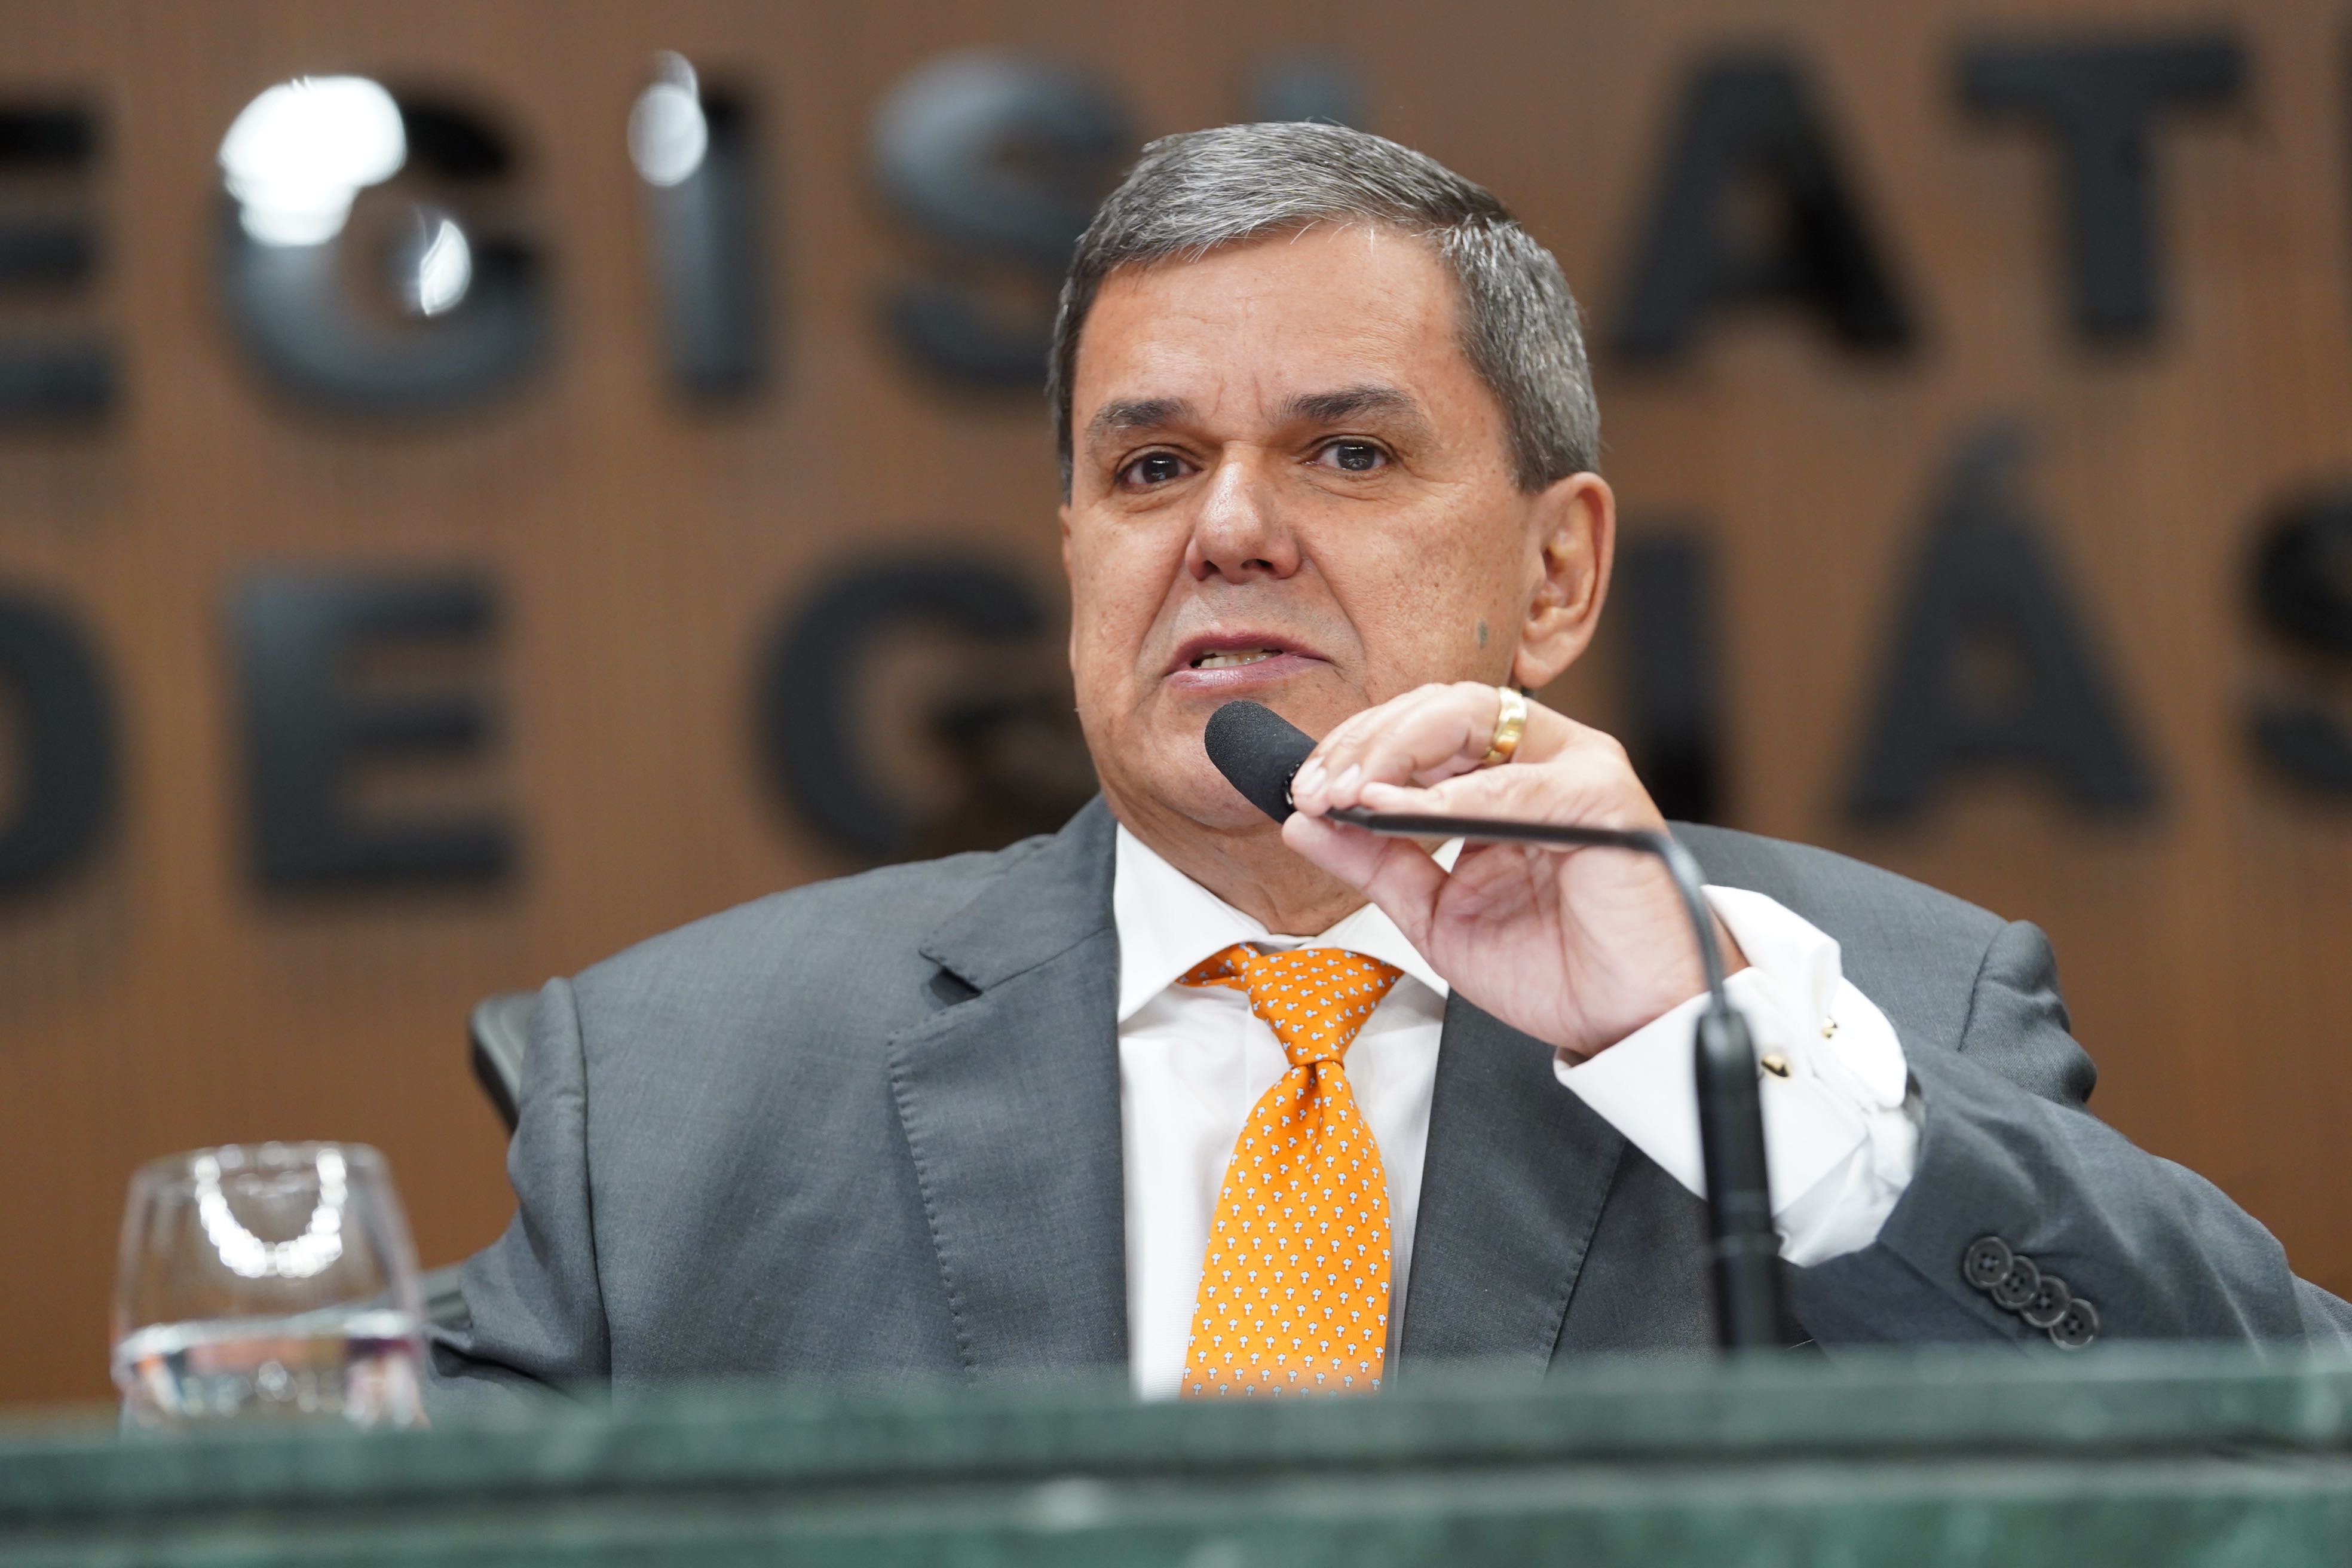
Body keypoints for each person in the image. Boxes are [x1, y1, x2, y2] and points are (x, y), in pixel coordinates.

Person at [432, 122, 2348, 1404]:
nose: (1228, 531)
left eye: (1347, 453)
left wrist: (1706, 1042)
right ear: (1080, 551)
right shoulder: (676, 1092)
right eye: (1152, 466)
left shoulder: (1867, 1009)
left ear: (1557, 571)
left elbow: (2280, 1441)